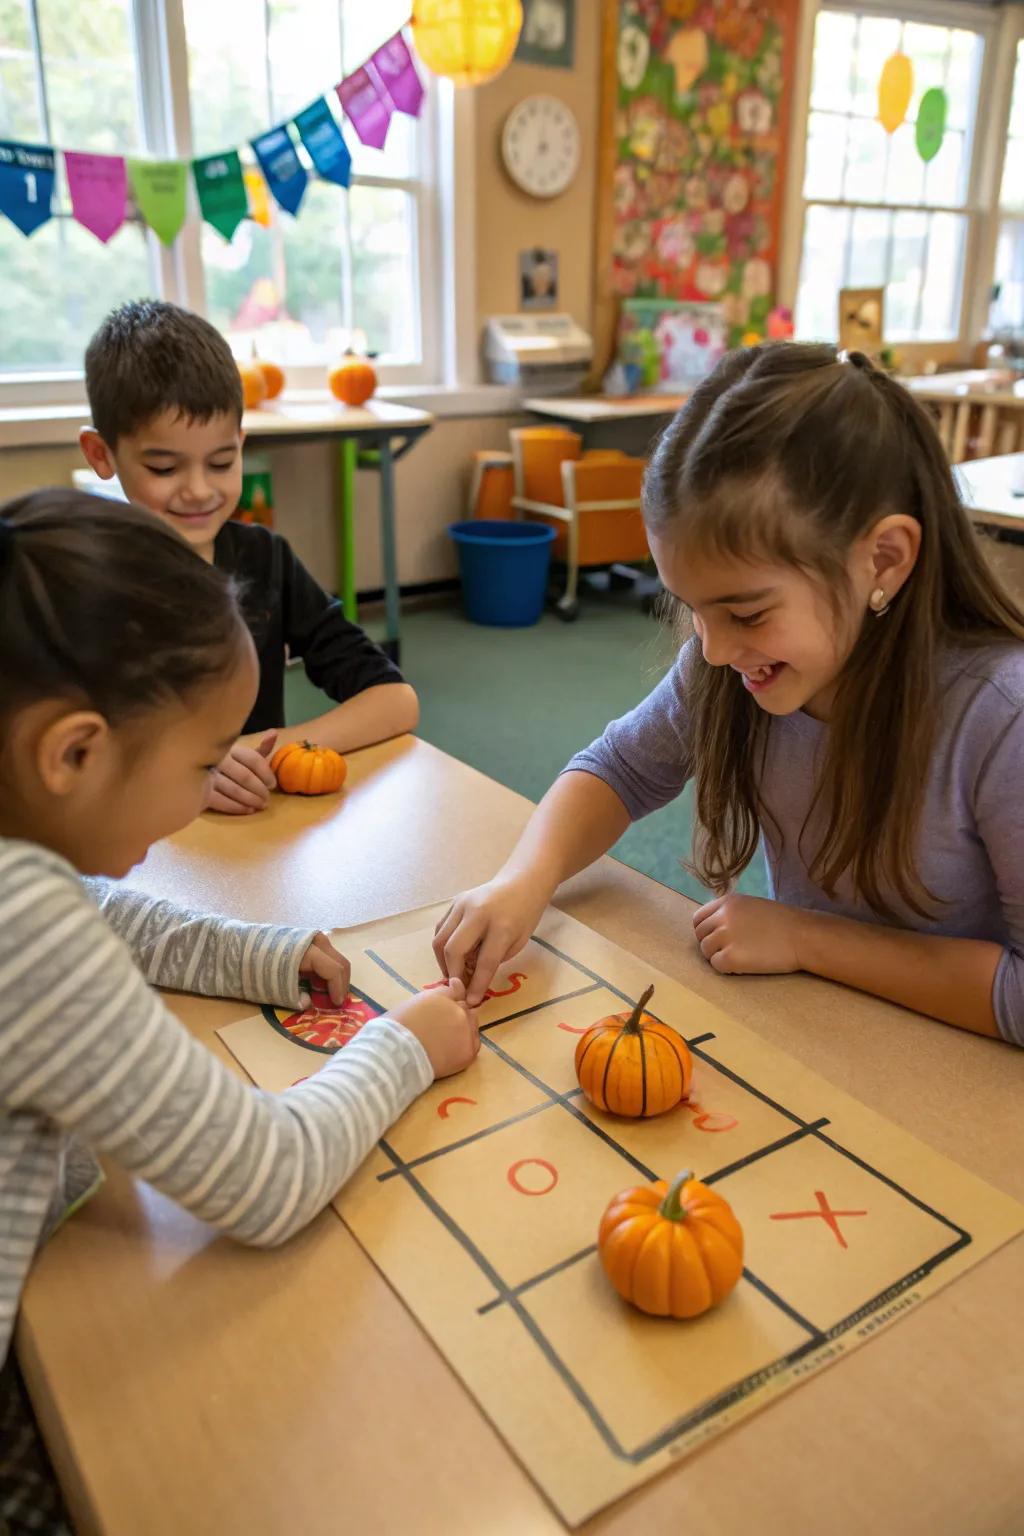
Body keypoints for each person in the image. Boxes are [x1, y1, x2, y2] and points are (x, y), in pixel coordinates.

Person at [0, 489, 477, 1532]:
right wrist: (402, 1043)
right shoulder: (19, 927)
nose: (206, 792)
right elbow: (265, 1180)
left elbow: (99, 911)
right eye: (202, 765)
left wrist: (263, 951)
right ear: (73, 753)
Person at [433, 344, 1024, 1047]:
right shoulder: (734, 665)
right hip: (819, 1032)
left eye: (746, 613)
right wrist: (524, 881)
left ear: (884, 560)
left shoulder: (1000, 717)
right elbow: (617, 770)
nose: (711, 650)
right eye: (690, 607)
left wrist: (808, 939)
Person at [79, 300, 419, 816]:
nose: (198, 490)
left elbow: (395, 701)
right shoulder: (79, 578)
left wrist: (269, 752)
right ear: (102, 455)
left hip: (256, 839)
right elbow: (61, 755)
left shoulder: (265, 560)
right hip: (139, 846)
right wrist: (184, 773)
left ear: (241, 443)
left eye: (221, 462)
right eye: (165, 467)